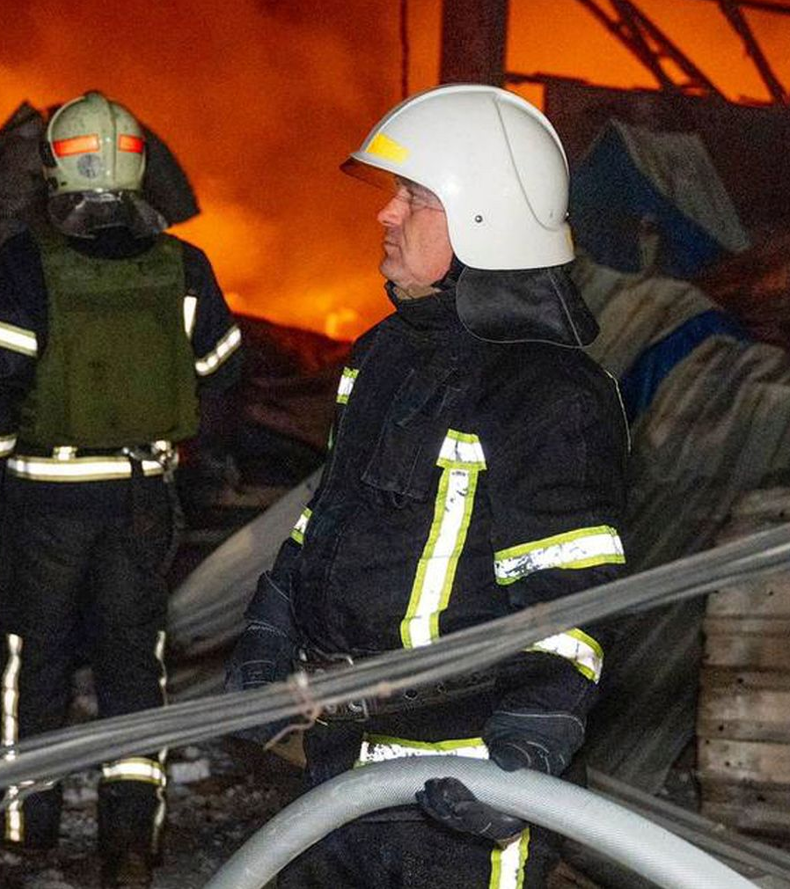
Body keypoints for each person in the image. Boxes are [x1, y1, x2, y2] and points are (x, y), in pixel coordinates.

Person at [229, 84, 628, 888]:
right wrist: (274, 625)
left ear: (487, 217)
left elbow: (574, 598)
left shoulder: (548, 391)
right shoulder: (381, 356)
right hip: (342, 766)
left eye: (413, 196)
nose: (386, 214)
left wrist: (524, 759)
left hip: (463, 793)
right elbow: (326, 520)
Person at [0, 91, 242, 888]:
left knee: (34, 659)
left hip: (44, 500)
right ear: (140, 167)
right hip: (143, 498)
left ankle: (28, 830)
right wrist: (196, 463)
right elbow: (222, 375)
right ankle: (129, 846)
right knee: (132, 669)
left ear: (56, 170)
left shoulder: (23, 263)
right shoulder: (186, 265)